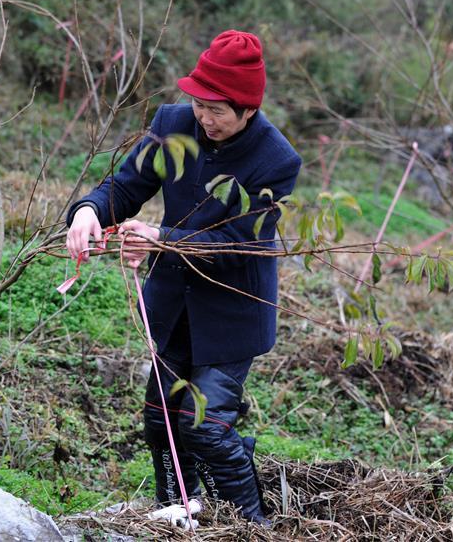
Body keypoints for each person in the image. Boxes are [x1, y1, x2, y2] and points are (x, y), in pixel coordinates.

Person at [65, 30, 301, 526]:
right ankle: (176, 511)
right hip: (174, 300)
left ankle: (251, 526)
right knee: (161, 418)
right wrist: (89, 210)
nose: (204, 119)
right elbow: (127, 186)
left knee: (207, 426)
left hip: (233, 309)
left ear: (248, 109)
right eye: (199, 104)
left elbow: (236, 243)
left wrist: (161, 238)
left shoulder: (276, 160)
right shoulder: (172, 124)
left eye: (217, 110)